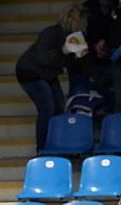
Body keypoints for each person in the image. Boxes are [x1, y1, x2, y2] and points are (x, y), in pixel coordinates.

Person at [15, 2, 88, 153]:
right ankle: (42, 148)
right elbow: (43, 58)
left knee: (59, 106)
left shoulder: (74, 38)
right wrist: (63, 51)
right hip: (31, 72)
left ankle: (58, 143)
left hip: (48, 73)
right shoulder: (52, 33)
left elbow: (72, 64)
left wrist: (79, 56)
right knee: (47, 107)